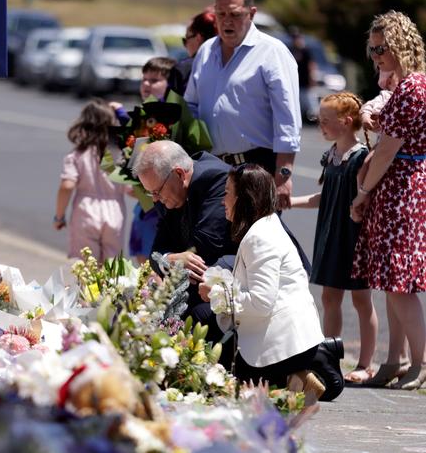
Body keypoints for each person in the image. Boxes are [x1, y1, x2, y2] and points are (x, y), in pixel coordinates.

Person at [202, 163, 344, 401]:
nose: (222, 200)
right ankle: (294, 377)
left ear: (243, 197)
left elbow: (260, 302)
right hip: (278, 337)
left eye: (227, 192)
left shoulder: (260, 238)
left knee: (229, 381)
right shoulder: (263, 228)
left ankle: (305, 368)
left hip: (284, 344)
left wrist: (217, 293)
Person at [351, 10, 426, 390]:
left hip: (401, 188)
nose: (376, 55)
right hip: (400, 185)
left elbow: (386, 152)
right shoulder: (410, 86)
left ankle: (419, 361)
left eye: (381, 48)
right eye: (372, 49)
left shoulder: (413, 87)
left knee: (399, 281)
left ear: (398, 45)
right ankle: (395, 359)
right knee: (392, 280)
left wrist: (363, 193)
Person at [184, 0, 301, 209]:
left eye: (235, 14)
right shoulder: (206, 51)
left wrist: (284, 175)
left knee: (254, 242)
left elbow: (288, 120)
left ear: (252, 13)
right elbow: (191, 103)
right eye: (221, 13)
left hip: (256, 170)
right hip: (213, 169)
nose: (227, 21)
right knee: (214, 242)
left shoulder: (272, 52)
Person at [291, 92, 377, 383]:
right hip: (330, 235)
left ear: (346, 121)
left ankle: (366, 363)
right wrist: (290, 201)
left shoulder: (361, 157)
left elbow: (365, 199)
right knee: (330, 297)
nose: (320, 125)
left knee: (362, 299)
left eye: (325, 120)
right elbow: (324, 197)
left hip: (353, 237)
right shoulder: (331, 156)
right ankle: (331, 360)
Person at [132, 140, 237, 362]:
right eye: (150, 193)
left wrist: (172, 258)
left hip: (242, 275)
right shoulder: (169, 191)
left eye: (157, 192)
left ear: (179, 174)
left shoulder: (216, 179)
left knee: (191, 318)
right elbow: (156, 251)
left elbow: (206, 248)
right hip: (208, 281)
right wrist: (171, 257)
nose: (155, 200)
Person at [110, 57, 177, 265]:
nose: (147, 84)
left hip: (161, 207)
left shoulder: (172, 117)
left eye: (155, 80)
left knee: (154, 264)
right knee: (141, 260)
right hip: (144, 203)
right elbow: (135, 141)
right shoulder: (145, 115)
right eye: (144, 79)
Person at [54, 98, 126, 262]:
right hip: (115, 211)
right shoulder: (118, 155)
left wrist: (59, 216)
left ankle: (87, 289)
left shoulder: (77, 155)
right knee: (113, 267)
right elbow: (129, 188)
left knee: (85, 266)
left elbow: (67, 185)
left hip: (85, 211)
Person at [168, 10, 216, 96]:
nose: (185, 45)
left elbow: (173, 105)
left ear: (198, 38)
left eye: (185, 39)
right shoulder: (232, 63)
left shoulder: (183, 69)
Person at [288, 26, 317, 122]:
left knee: (309, 100)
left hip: (305, 80)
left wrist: (312, 78)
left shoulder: (305, 50)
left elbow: (311, 65)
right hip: (295, 81)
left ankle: (314, 117)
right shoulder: (290, 50)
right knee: (298, 102)